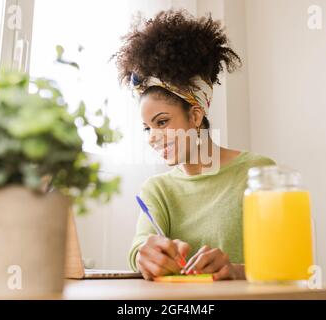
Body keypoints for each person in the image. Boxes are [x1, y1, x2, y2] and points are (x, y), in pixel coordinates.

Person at [113, 10, 275, 280]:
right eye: (147, 128)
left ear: (196, 115)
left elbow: (287, 265)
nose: (152, 137)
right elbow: (139, 249)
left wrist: (236, 271)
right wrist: (145, 255)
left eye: (162, 122)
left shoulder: (258, 172)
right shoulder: (158, 190)